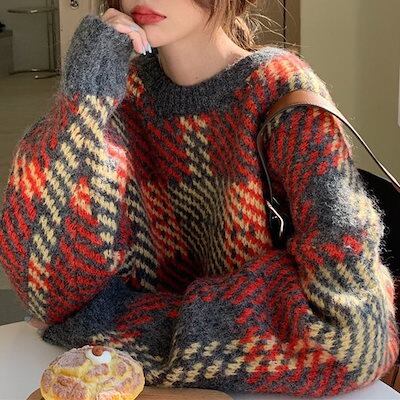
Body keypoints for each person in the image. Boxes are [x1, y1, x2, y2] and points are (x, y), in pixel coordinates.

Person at [0, 0, 398, 396]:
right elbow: (47, 292)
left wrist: (105, 321)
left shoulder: (284, 96)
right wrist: (84, 99)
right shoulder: (114, 93)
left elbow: (356, 338)